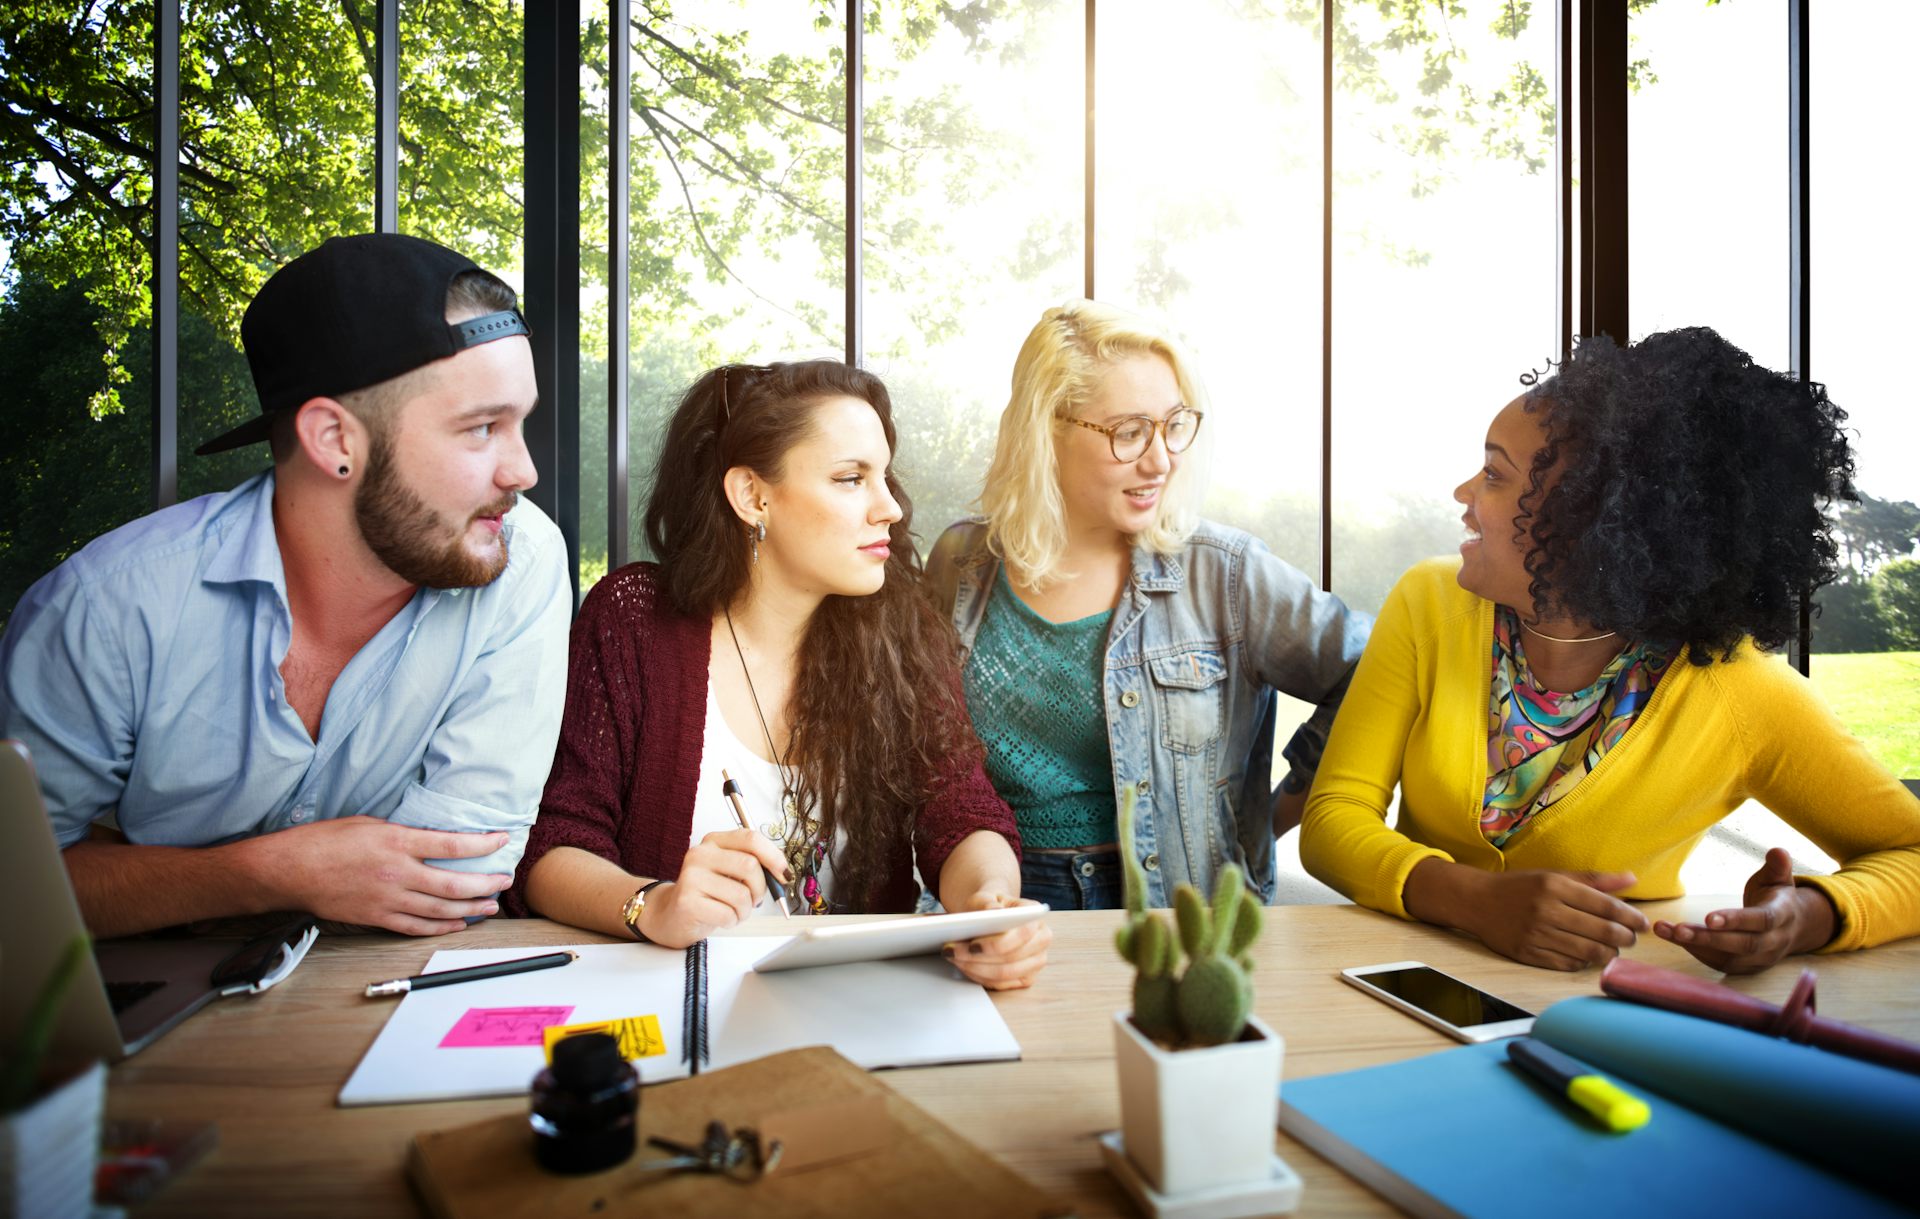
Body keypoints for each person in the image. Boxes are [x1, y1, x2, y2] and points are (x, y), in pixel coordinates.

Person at [0, 234, 571, 939]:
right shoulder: (106, 608)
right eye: (482, 428)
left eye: (521, 422)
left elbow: (457, 878)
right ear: (334, 439)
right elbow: (19, 891)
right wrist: (268, 872)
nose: (523, 472)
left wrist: (142, 872)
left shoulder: (521, 557)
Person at [1300, 327, 1920, 973]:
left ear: (1589, 522)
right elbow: (1334, 817)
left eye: (1494, 474)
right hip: (1404, 990)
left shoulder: (1740, 692)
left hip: (1608, 1014)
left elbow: (1912, 852)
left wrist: (1806, 916)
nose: (1464, 494)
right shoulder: (1429, 603)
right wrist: (1476, 900)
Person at [508, 360, 1048, 990]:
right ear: (753, 496)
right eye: (851, 479)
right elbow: (553, 845)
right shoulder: (633, 622)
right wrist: (651, 904)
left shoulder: (902, 630)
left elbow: (958, 808)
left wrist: (988, 903)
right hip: (675, 998)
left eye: (885, 476)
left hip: (861, 1001)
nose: (891, 508)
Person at [926, 301, 1368, 911]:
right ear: (1045, 430)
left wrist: (1275, 814)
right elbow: (927, 746)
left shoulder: (1227, 572)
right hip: (993, 897)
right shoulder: (961, 560)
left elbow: (1373, 673)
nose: (1161, 459)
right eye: (1129, 432)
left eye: (1174, 424)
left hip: (1174, 914)